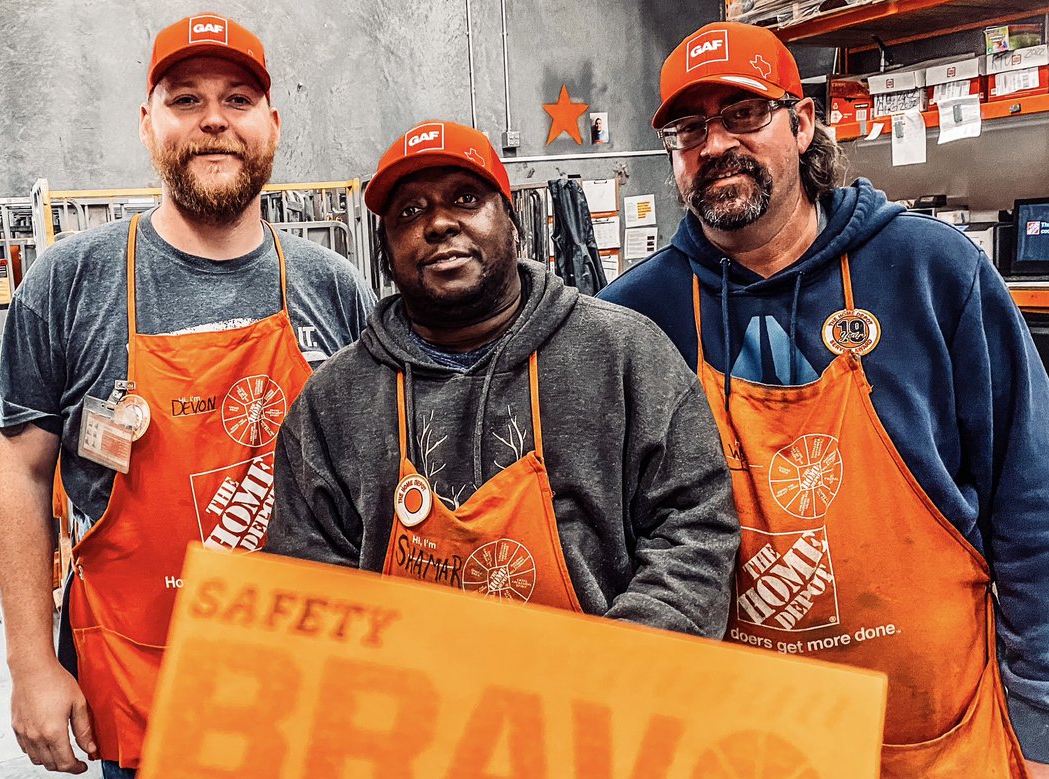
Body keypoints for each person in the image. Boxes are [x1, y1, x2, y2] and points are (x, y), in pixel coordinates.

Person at [598, 20, 1049, 779]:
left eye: (742, 113)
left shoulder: (930, 270)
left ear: (801, 125)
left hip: (923, 766)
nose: (716, 144)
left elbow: (1032, 503)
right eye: (690, 129)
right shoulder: (633, 320)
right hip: (736, 775)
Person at [0, 11, 372, 779]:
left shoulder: (331, 288)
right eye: (184, 98)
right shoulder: (69, 283)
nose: (213, 120)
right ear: (147, 122)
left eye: (239, 98)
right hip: (146, 686)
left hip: (310, 695)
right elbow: (16, 472)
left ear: (272, 124)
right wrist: (30, 665)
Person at [266, 120, 738, 634]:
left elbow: (694, 530)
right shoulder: (334, 401)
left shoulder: (624, 354)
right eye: (410, 211)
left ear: (513, 224)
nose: (440, 223)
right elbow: (307, 575)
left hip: (597, 701)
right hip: (405, 704)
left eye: (466, 199)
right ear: (385, 252)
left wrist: (615, 674)